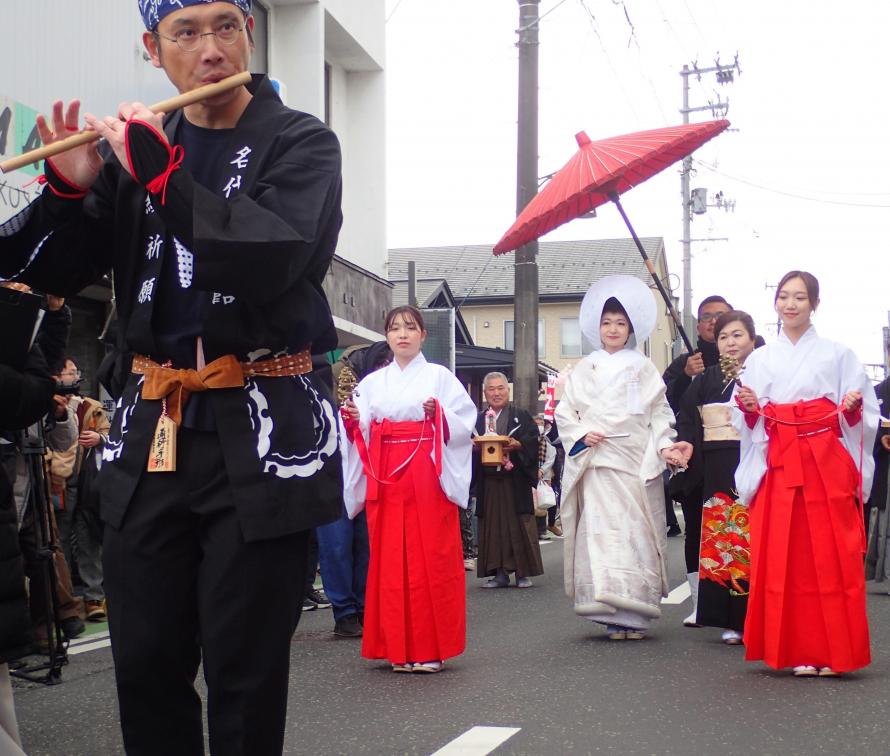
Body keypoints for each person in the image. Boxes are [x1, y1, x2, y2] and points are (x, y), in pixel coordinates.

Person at [0, 1, 344, 750]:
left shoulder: (302, 143)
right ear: (153, 50)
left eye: (227, 26)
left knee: (245, 670)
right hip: (150, 427)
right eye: (186, 33)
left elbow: (278, 259)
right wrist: (65, 189)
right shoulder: (133, 154)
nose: (211, 49)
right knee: (146, 662)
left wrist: (165, 184)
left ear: (249, 34)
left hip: (258, 429)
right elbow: (41, 273)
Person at [735, 270, 878, 677]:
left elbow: (863, 412)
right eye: (784, 296)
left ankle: (835, 650)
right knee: (784, 554)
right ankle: (794, 648)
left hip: (824, 460)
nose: (791, 304)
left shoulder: (838, 354)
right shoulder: (760, 358)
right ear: (775, 303)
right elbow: (747, 417)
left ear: (815, 304)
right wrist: (748, 405)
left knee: (832, 555)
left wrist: (851, 405)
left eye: (800, 297)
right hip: (780, 461)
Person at [341, 306, 475, 673]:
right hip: (386, 471)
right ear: (386, 336)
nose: (402, 334)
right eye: (395, 328)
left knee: (430, 553)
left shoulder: (440, 377)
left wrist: (440, 414)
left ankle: (431, 646)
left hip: (427, 470)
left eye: (410, 328)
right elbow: (360, 427)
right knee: (387, 556)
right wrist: (355, 421)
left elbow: (465, 421)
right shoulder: (372, 383)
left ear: (422, 335)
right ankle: (397, 647)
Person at [555, 275, 690, 640]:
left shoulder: (643, 367)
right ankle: (611, 609)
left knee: (635, 533)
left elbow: (659, 413)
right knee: (601, 534)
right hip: (598, 460)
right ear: (596, 328)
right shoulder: (586, 367)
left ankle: (635, 610)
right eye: (606, 323)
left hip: (633, 461)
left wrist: (663, 444)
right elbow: (565, 412)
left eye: (620, 323)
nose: (612, 329)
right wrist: (582, 434)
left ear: (630, 329)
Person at [676, 310, 758, 644]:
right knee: (727, 541)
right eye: (723, 336)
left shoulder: (764, 372)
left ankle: (761, 615)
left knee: (756, 538)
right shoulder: (707, 379)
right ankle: (733, 618)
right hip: (718, 464)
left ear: (752, 339)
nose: (730, 342)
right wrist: (683, 443)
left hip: (754, 458)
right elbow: (686, 416)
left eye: (738, 335)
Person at [662, 295, 732, 616]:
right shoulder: (687, 360)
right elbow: (666, 403)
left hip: (732, 457)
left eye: (721, 315)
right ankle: (698, 600)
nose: (713, 321)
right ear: (698, 323)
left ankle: (736, 597)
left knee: (734, 527)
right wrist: (685, 375)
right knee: (696, 526)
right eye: (706, 316)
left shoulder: (747, 353)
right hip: (695, 455)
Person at [53, 357, 111, 622]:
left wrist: (99, 439)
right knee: (58, 541)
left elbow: (112, 439)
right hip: (56, 481)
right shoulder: (47, 405)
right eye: (68, 372)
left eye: (76, 371)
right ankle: (59, 600)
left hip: (87, 483)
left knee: (89, 539)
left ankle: (94, 597)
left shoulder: (92, 407)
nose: (74, 376)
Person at [473, 372, 544, 588]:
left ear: (508, 390)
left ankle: (523, 573)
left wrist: (519, 445)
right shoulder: (477, 419)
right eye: (491, 389)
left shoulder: (520, 416)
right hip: (489, 482)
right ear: (485, 393)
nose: (496, 393)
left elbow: (534, 440)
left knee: (519, 524)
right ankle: (499, 573)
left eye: (500, 388)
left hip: (515, 481)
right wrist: (474, 448)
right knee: (493, 526)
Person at [865, 376, 890, 589]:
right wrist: (881, 435)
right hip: (886, 464)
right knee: (884, 520)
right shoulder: (877, 391)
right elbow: (869, 425)